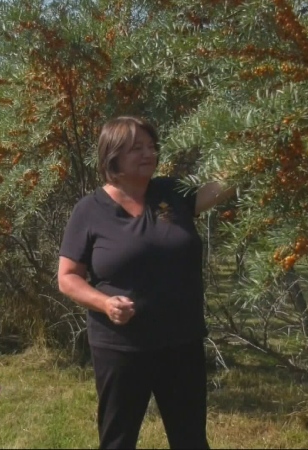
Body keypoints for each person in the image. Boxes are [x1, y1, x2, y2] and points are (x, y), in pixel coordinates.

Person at [58, 116, 237, 449]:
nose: (148, 154)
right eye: (136, 148)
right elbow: (68, 278)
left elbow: (221, 187)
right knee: (118, 440)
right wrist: (104, 303)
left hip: (182, 342)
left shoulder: (172, 192)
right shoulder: (90, 210)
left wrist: (250, 149)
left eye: (151, 146)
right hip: (121, 347)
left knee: (191, 440)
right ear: (112, 156)